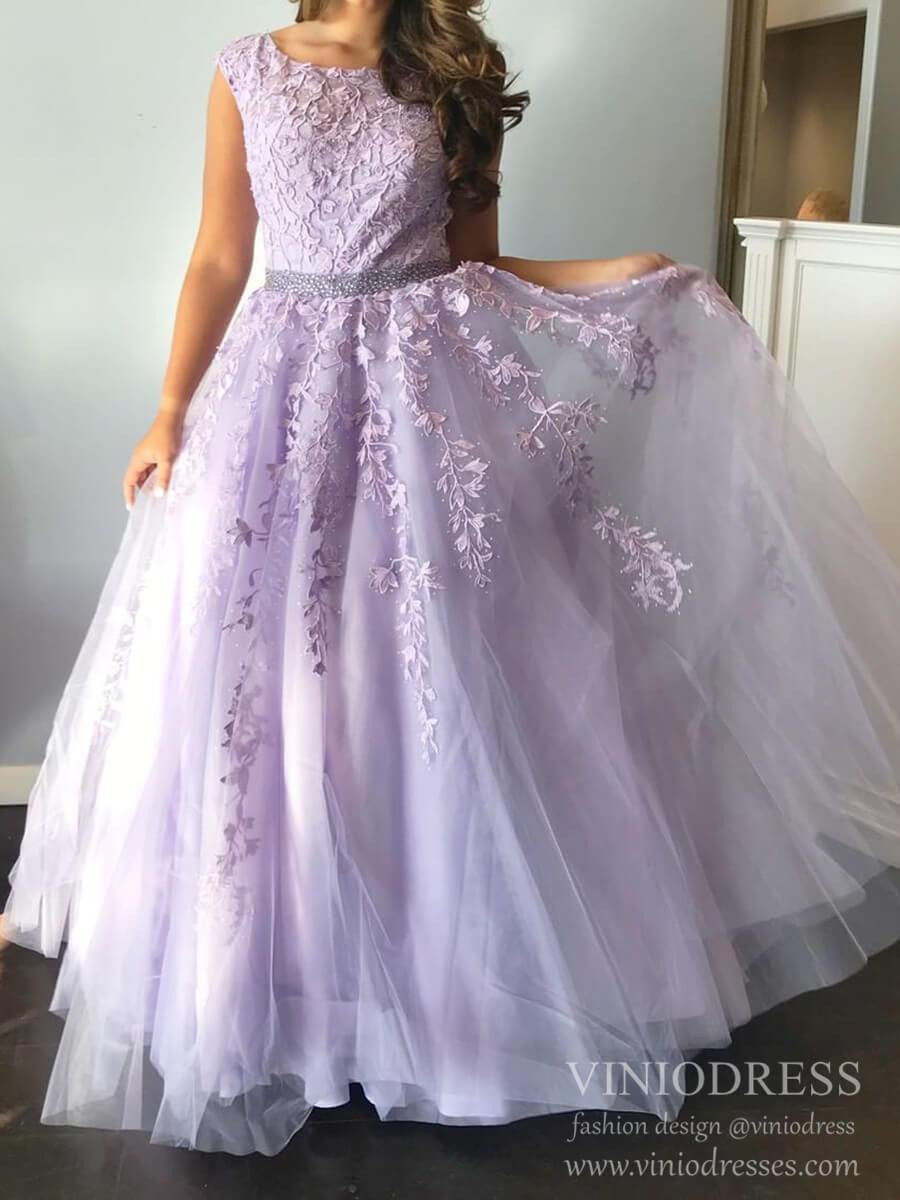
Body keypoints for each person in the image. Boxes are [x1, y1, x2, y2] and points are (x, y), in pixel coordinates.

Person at [4, 0, 900, 1157]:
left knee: (415, 689)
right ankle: (273, 983)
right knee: (271, 685)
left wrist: (613, 272)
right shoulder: (246, 70)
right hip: (275, 408)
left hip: (421, 411)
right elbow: (222, 254)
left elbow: (473, 265)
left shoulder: (454, 72)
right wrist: (170, 408)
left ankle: (437, 997)